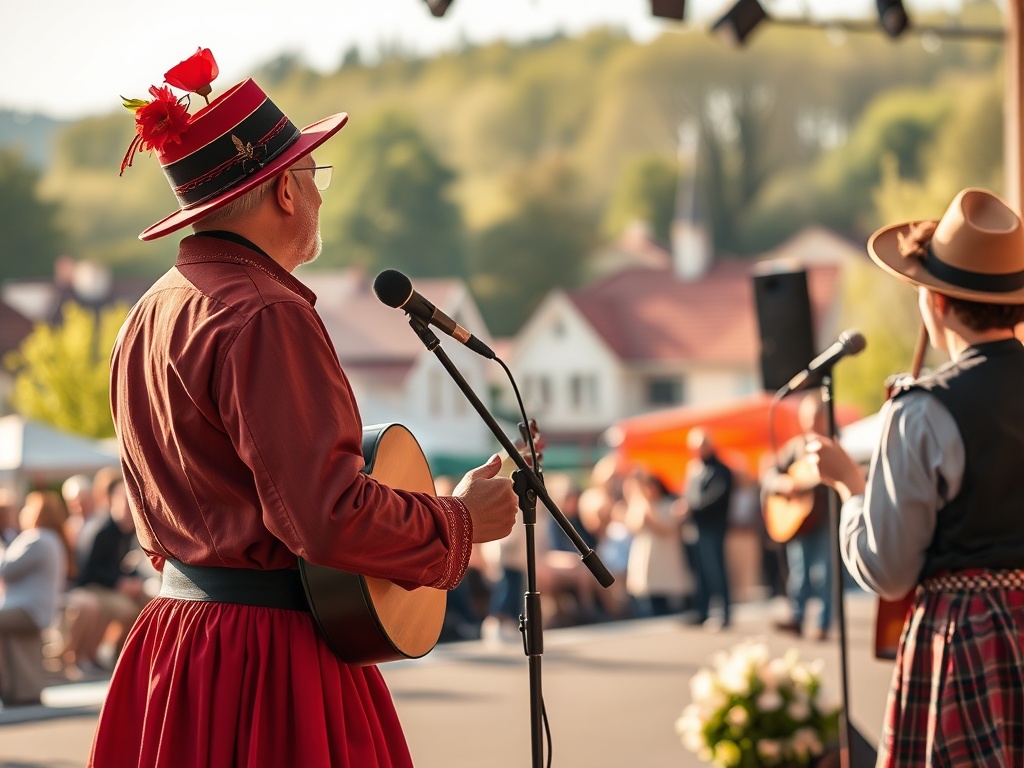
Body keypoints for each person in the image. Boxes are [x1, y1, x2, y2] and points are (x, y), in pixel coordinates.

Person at [91, 50, 517, 768]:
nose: (321, 194)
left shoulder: (149, 310)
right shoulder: (264, 312)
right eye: (313, 175)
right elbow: (324, 517)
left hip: (178, 644)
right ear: (286, 191)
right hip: (267, 659)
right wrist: (460, 522)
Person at [807, 187, 1024, 766]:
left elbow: (890, 571)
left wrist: (853, 488)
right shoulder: (922, 406)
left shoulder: (923, 409)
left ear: (935, 302)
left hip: (969, 641)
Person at [760, 393, 833, 641]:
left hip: (825, 519)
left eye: (815, 417)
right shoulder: (795, 447)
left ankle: (823, 624)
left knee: (824, 573)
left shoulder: (833, 444)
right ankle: (797, 617)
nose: (811, 423)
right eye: (807, 418)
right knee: (799, 571)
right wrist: (783, 483)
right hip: (799, 522)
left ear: (824, 417)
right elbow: (770, 475)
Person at [0, 490, 72, 706]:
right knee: (15, 645)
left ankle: (10, 687)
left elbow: (6, 569)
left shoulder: (37, 539)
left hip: (26, 609)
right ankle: (19, 692)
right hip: (34, 609)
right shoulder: (50, 539)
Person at [682, 427, 734, 628]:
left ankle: (723, 612)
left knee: (715, 571)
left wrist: (692, 508)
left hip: (712, 527)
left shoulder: (720, 470)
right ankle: (702, 610)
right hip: (695, 528)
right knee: (700, 573)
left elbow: (715, 498)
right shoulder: (694, 469)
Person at [622, 470, 691, 617]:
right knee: (647, 593)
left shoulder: (669, 505)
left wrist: (650, 514)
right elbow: (633, 526)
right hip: (645, 552)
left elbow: (667, 528)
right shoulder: (639, 505)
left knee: (666, 593)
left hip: (665, 553)